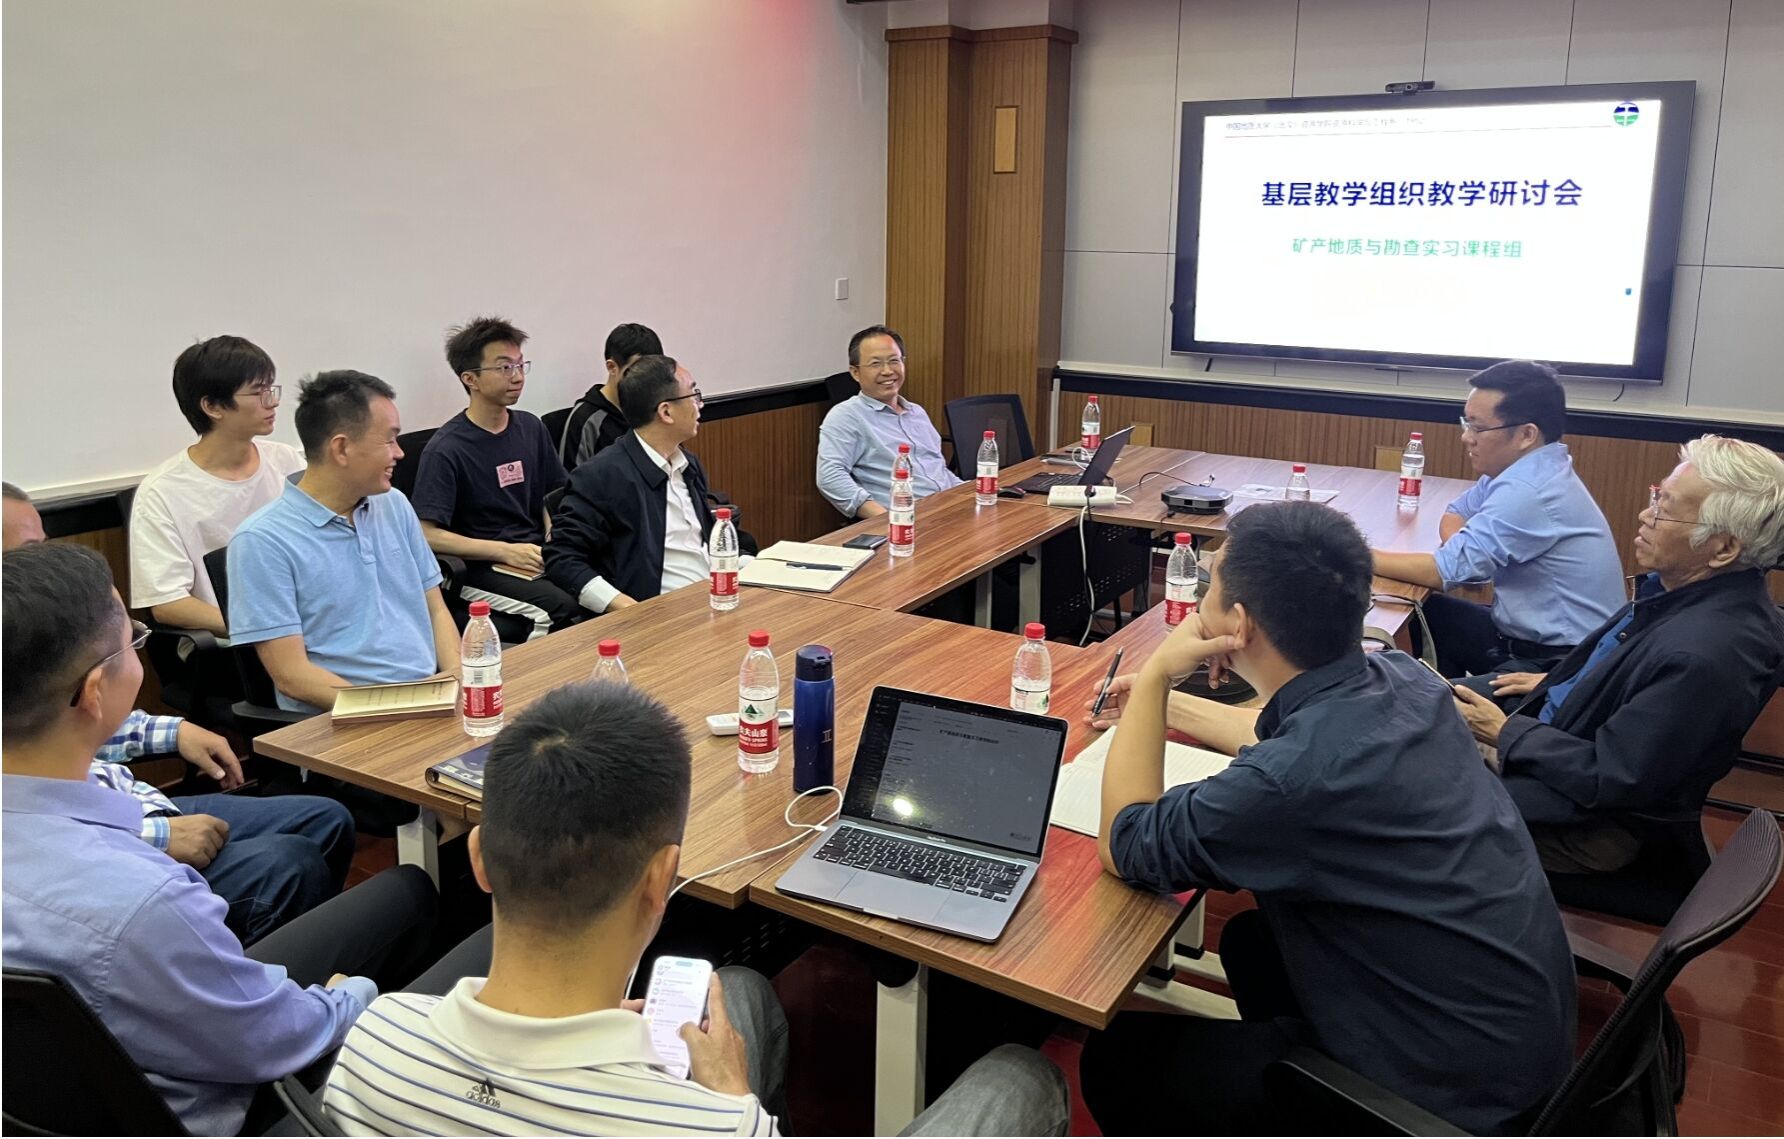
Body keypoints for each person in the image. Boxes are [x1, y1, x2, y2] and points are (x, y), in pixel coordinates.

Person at [322, 681, 1070, 1137]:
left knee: (738, 991)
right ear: (661, 880)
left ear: (480, 857)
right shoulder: (716, 1126)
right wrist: (737, 1105)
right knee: (1018, 1079)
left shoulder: (368, 1044)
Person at [1084, 501, 1574, 1135]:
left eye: (1210, 588)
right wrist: (1167, 709)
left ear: (1239, 624)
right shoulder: (1402, 678)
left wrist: (1154, 678)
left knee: (1114, 1062)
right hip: (1511, 1044)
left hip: (1447, 1103)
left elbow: (1125, 841)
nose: (1202, 600)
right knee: (1253, 941)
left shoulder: (1290, 783)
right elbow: (1294, 746)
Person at [2, 542, 437, 1135]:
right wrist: (351, 997)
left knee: (409, 890)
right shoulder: (144, 901)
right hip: (233, 1102)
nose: (139, 649)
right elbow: (275, 1042)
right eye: (133, 640)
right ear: (96, 691)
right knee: (446, 950)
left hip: (99, 1074)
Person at [4, 482, 356, 944]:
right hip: (112, 845)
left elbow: (63, 725)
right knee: (291, 864)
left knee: (326, 819)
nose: (49, 561)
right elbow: (34, 838)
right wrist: (154, 836)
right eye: (32, 549)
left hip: (124, 804)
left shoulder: (29, 653)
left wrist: (174, 731)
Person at [1453, 435, 1784, 876]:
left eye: (1665, 509)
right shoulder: (1683, 594)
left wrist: (1505, 732)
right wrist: (1574, 680)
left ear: (1724, 549)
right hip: (1556, 743)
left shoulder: (1704, 653)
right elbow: (1636, 682)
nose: (1646, 515)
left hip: (1584, 825)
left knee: (1395, 799)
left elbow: (1612, 777)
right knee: (1416, 700)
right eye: (1656, 497)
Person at [1372, 360, 1625, 678]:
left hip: (1561, 665)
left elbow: (1443, 571)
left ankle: (1447, 700)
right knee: (1428, 613)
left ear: (1526, 434)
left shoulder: (1529, 489)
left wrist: (1357, 555)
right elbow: (1457, 512)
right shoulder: (1525, 468)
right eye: (1466, 423)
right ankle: (1446, 692)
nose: (1466, 437)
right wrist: (1464, 549)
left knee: (1416, 692)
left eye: (1478, 428)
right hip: (1519, 637)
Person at [228, 370, 460, 712]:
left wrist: (456, 678)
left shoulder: (393, 503)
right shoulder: (262, 541)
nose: (399, 453)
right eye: (389, 440)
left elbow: (435, 608)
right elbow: (292, 676)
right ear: (341, 448)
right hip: (344, 719)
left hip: (428, 700)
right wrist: (398, 706)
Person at [412, 316, 580, 642]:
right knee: (556, 608)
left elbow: (552, 493)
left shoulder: (530, 427)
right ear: (470, 378)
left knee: (599, 580)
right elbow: (426, 534)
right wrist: (503, 551)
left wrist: (553, 531)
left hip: (533, 551)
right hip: (480, 565)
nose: (517, 376)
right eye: (504, 367)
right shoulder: (446, 449)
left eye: (520, 365)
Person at [128, 335, 308, 637]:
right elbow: (168, 603)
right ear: (212, 406)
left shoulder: (286, 460)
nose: (273, 401)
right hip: (232, 641)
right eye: (258, 392)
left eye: (271, 389)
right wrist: (265, 628)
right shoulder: (161, 491)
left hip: (306, 624)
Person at [545, 355, 737, 613]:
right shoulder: (602, 476)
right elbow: (562, 558)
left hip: (714, 594)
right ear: (666, 412)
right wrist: (624, 607)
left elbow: (700, 545)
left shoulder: (687, 464)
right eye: (694, 395)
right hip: (660, 613)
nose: (700, 405)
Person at [816, 325, 962, 519]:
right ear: (855, 372)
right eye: (875, 364)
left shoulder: (916, 412)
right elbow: (830, 478)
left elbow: (938, 470)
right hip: (908, 520)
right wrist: (886, 519)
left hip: (949, 510)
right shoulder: (846, 416)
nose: (887, 371)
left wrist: (970, 494)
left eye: (894, 361)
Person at [559, 321, 664, 469]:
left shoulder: (656, 410)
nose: (646, 379)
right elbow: (573, 479)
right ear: (612, 367)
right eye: (637, 370)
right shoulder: (586, 420)